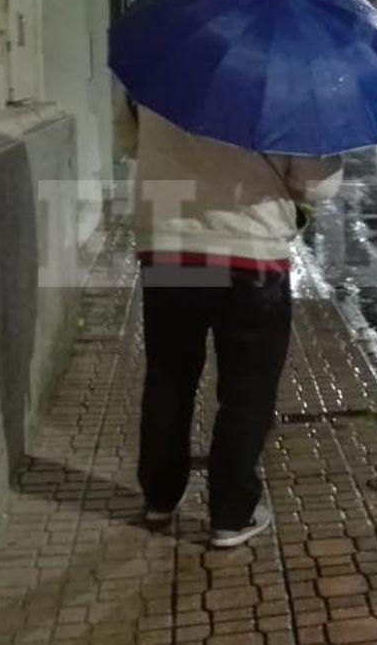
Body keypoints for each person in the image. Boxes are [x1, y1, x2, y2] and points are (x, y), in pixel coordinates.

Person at [131, 103, 342, 548]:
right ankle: (231, 512)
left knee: (169, 376)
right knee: (247, 391)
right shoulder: (285, 85)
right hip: (250, 255)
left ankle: (159, 497)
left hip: (169, 247)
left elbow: (127, 142)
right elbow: (316, 186)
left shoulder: (157, 64)